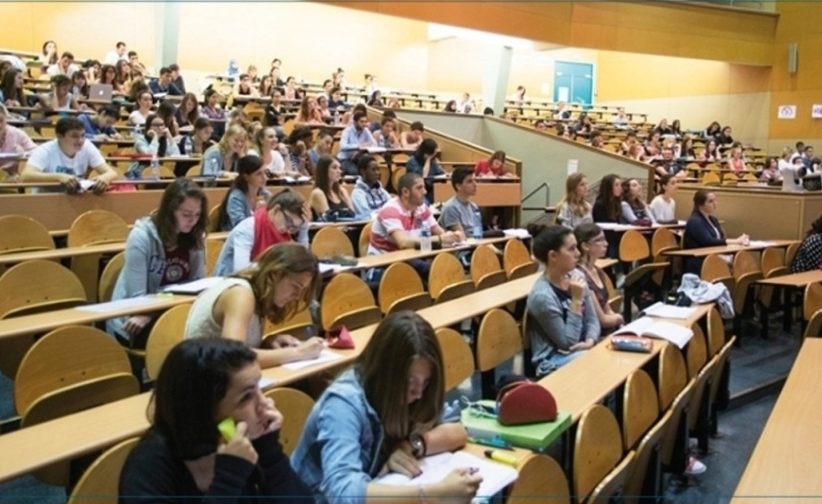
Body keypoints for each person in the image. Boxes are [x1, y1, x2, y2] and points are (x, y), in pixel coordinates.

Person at [291, 311, 481, 503]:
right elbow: (344, 493)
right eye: (410, 382)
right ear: (386, 372)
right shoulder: (343, 404)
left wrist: (410, 446)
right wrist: (435, 494)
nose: (419, 393)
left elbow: (458, 431)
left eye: (425, 382)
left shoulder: (411, 396)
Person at [119, 338, 312, 503]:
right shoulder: (148, 468)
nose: (265, 403)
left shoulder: (249, 441)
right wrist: (228, 480)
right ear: (201, 411)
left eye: (259, 387)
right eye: (246, 397)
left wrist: (271, 454)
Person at [186, 243, 324, 366]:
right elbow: (235, 357)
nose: (297, 296)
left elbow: (239, 350)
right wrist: (298, 352)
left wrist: (267, 343)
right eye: (295, 286)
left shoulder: (258, 294)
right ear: (275, 275)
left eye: (302, 290)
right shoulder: (240, 294)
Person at [107, 179, 207, 345]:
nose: (192, 221)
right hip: (134, 318)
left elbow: (197, 285)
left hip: (171, 312)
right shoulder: (141, 236)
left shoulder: (196, 236)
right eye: (186, 215)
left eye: (197, 215)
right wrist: (152, 313)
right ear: (170, 211)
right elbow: (137, 299)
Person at [526, 225, 600, 377]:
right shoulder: (542, 296)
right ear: (553, 256)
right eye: (571, 249)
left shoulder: (577, 276)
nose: (578, 253)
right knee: (596, 362)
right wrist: (576, 300)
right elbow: (568, 343)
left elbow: (593, 319)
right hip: (553, 361)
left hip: (583, 349)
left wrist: (590, 341)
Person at [214, 190, 309, 276]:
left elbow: (299, 262)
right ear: (276, 210)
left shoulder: (281, 232)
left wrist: (304, 229)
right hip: (230, 282)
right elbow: (241, 270)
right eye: (288, 221)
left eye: (294, 227)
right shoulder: (248, 228)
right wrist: (277, 267)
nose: (288, 230)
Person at [369, 172, 461, 255]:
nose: (425, 192)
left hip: (411, 255)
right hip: (384, 259)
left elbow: (440, 232)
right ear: (405, 192)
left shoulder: (422, 208)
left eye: (424, 187)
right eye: (419, 188)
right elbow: (403, 243)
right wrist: (439, 239)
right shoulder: (390, 210)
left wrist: (452, 236)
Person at [21, 117, 117, 193]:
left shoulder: (87, 146)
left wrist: (105, 178)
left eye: (83, 135)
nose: (81, 141)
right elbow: (26, 176)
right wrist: (58, 177)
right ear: (60, 136)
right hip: (46, 199)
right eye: (74, 136)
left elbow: (111, 173)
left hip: (75, 198)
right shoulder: (45, 150)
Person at [683, 189, 749, 274]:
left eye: (715, 200)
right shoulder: (695, 221)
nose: (715, 204)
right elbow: (708, 241)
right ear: (700, 204)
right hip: (701, 260)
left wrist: (736, 243)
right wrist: (736, 241)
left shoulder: (713, 219)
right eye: (710, 201)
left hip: (716, 255)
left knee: (741, 260)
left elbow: (720, 239)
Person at [575, 223, 624, 336]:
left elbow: (607, 309)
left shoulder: (598, 270)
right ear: (585, 246)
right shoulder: (580, 275)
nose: (606, 244)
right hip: (592, 334)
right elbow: (602, 320)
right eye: (599, 240)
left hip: (607, 330)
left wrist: (619, 324)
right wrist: (620, 318)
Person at [217, 155, 271, 231]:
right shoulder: (236, 198)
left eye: (265, 172)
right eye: (258, 174)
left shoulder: (266, 195)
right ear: (246, 177)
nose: (265, 177)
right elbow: (241, 227)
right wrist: (258, 213)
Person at [438, 166, 482, 238]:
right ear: (458, 186)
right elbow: (461, 237)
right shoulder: (451, 208)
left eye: (475, 180)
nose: (475, 184)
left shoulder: (473, 206)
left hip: (475, 242)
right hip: (462, 244)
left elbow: (478, 233)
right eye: (469, 181)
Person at [310, 155, 354, 220]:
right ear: (324, 170)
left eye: (340, 168)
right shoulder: (318, 193)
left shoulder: (342, 191)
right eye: (334, 168)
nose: (339, 171)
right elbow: (328, 220)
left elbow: (353, 215)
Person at [0, 104, 37, 176]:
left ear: (6, 120)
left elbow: (37, 153)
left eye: (1, 120)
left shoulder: (17, 133)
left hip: (13, 177)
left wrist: (23, 154)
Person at [405, 138, 444, 203]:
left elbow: (440, 173)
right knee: (426, 203)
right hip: (417, 190)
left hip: (431, 189)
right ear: (426, 153)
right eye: (432, 154)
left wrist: (446, 174)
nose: (434, 156)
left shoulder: (433, 161)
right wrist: (428, 160)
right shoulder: (412, 162)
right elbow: (423, 176)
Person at [337, 110, 375, 176]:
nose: (364, 124)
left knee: (370, 171)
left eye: (365, 122)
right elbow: (343, 146)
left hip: (358, 158)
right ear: (355, 122)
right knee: (355, 172)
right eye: (361, 122)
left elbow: (374, 144)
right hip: (345, 159)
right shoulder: (347, 131)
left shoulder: (365, 130)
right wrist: (358, 146)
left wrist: (359, 150)